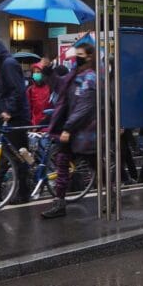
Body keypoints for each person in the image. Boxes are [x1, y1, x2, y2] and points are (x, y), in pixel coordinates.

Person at [41, 43, 98, 218]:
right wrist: (49, 71)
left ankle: (111, 195)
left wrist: (68, 127)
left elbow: (85, 106)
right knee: (62, 163)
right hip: (71, 129)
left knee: (96, 165)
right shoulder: (74, 75)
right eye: (76, 54)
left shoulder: (90, 78)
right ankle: (59, 202)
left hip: (85, 131)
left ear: (89, 56)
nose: (76, 57)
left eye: (80, 54)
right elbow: (59, 86)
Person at [0, 38, 33, 204]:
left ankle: (22, 191)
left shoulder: (8, 64)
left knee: (16, 156)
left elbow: (17, 90)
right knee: (8, 154)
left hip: (15, 118)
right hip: (8, 116)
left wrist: (9, 110)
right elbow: (6, 89)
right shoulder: (3, 66)